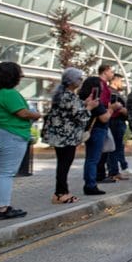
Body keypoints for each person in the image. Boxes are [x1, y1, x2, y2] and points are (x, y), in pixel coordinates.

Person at [41, 67, 99, 203]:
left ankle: (62, 192)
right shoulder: (69, 96)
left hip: (60, 136)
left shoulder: (62, 94)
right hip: (66, 137)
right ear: (72, 81)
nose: (81, 81)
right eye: (79, 78)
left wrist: (85, 103)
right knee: (64, 165)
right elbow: (81, 116)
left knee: (62, 164)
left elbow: (72, 110)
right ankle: (60, 193)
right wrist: (90, 107)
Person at [0, 61, 40, 219]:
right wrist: (38, 115)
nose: (21, 77)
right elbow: (23, 113)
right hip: (11, 135)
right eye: (19, 74)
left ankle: (0, 206)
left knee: (0, 173)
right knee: (5, 174)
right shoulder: (8, 93)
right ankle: (2, 209)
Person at [78, 72, 121, 195]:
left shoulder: (82, 99)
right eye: (101, 87)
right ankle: (90, 185)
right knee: (93, 159)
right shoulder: (95, 102)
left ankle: (90, 183)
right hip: (97, 130)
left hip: (89, 130)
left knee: (90, 158)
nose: (103, 88)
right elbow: (104, 118)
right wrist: (112, 109)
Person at [104, 72, 130, 180]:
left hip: (118, 122)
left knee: (118, 147)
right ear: (115, 80)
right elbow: (113, 107)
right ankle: (113, 172)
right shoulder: (111, 93)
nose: (122, 83)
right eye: (121, 81)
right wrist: (123, 110)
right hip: (115, 121)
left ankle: (115, 170)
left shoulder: (116, 93)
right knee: (114, 148)